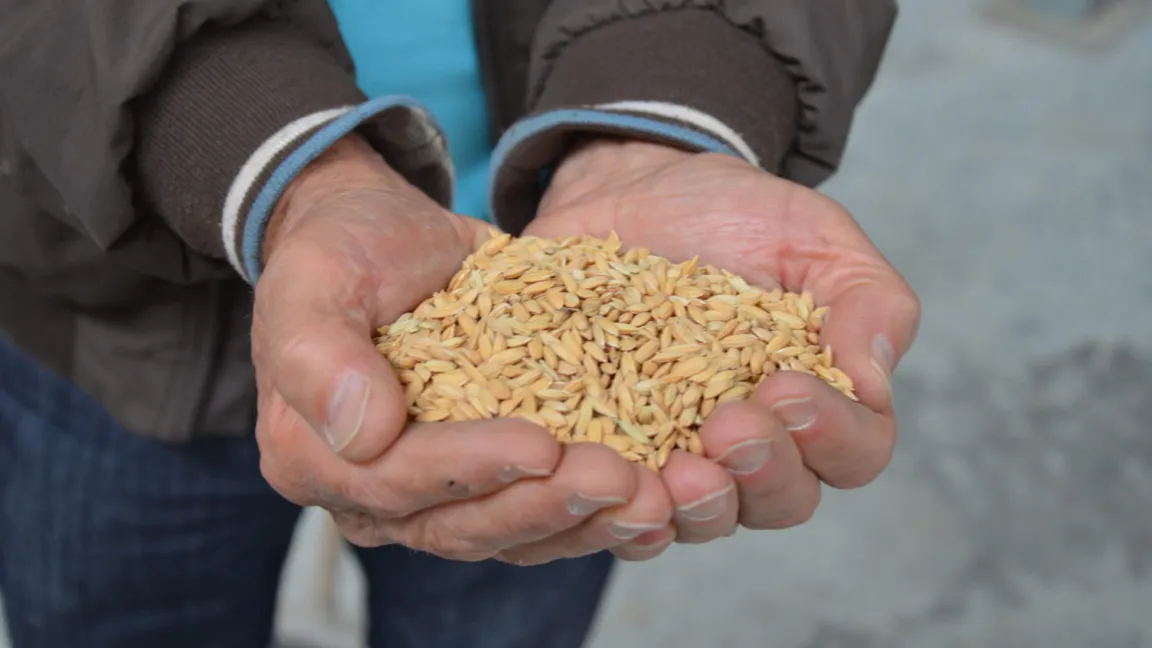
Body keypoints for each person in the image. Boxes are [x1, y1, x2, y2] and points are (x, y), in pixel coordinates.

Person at [0, 1, 919, 647]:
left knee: (507, 589)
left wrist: (673, 100)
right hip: (113, 331)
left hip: (538, 396)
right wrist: (239, 136)